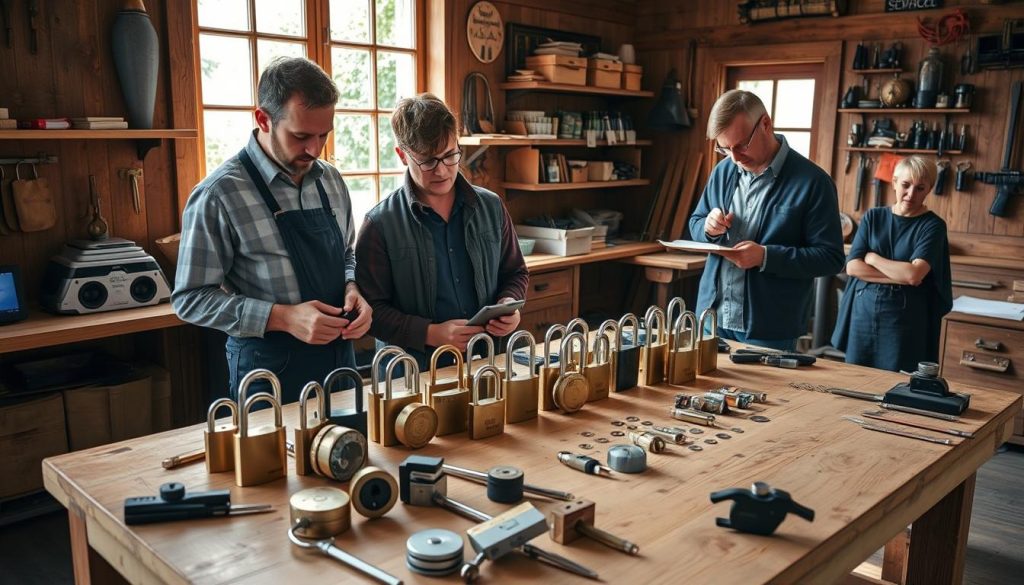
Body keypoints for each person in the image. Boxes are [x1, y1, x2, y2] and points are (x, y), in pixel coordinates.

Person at [173, 57, 372, 404]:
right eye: (300, 136)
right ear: (263, 119)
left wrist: (353, 287)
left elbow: (346, 254)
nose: (315, 149)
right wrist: (282, 318)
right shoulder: (219, 194)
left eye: (324, 134)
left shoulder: (332, 180)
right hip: (269, 373)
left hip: (341, 363)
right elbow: (190, 299)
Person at [355, 93, 528, 370]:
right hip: (412, 374)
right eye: (428, 161)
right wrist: (429, 333)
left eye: (450, 156)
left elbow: (516, 272)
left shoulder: (491, 206)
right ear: (402, 155)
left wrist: (510, 305)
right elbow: (371, 313)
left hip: (485, 363)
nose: (442, 171)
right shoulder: (379, 225)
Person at [688, 89, 845, 351]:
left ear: (765, 124)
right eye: (725, 149)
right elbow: (695, 222)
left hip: (770, 327)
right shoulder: (723, 171)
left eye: (741, 145)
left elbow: (831, 258)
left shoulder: (814, 183)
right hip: (711, 318)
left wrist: (765, 257)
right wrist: (707, 227)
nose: (735, 158)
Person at [832, 156, 952, 372]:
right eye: (905, 185)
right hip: (863, 312)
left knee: (896, 383)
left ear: (929, 190)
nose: (911, 194)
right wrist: (902, 275)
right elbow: (852, 268)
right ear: (894, 182)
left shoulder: (933, 226)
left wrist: (873, 258)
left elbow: (914, 275)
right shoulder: (873, 217)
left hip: (904, 318)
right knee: (854, 378)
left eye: (920, 188)